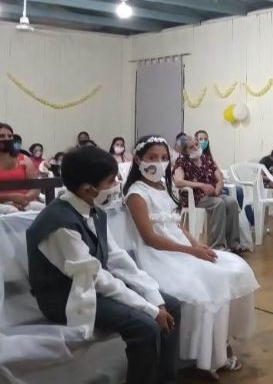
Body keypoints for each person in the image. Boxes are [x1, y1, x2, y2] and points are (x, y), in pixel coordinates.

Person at [26, 145, 181, 384]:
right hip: (67, 297)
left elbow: (117, 259)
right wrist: (150, 309)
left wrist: (154, 296)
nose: (117, 183)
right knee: (145, 326)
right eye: (111, 180)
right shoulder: (59, 225)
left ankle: (164, 379)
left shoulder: (93, 209)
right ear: (89, 189)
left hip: (92, 285)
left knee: (171, 305)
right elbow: (96, 277)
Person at [124, 135, 258, 374]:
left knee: (233, 267)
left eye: (164, 158)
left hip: (178, 246)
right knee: (205, 283)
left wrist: (198, 245)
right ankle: (208, 354)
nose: (159, 163)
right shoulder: (136, 193)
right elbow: (150, 238)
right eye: (152, 158)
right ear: (138, 160)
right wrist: (191, 251)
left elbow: (177, 224)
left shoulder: (163, 187)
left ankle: (220, 343)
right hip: (158, 254)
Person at [173, 135, 243, 252]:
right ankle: (217, 246)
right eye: (191, 147)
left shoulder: (206, 159)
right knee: (219, 203)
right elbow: (178, 181)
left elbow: (219, 177)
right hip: (195, 197)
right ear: (185, 151)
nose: (196, 148)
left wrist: (217, 188)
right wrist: (202, 185)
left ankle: (234, 243)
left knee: (231, 202)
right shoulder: (182, 162)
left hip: (213, 195)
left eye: (197, 144)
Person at [194, 129, 253, 225]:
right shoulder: (194, 158)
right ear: (195, 141)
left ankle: (244, 220)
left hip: (216, 184)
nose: (203, 141)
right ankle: (231, 222)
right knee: (227, 194)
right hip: (206, 189)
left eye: (206, 139)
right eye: (201, 139)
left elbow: (219, 174)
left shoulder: (209, 158)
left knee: (239, 190)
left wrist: (218, 184)